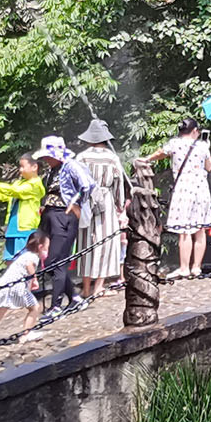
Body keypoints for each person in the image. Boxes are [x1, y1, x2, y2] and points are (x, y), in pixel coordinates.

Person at [34, 137, 93, 311]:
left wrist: (75, 203)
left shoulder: (71, 166)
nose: (45, 160)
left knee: (57, 261)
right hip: (50, 217)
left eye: (48, 156)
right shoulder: (52, 170)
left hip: (64, 216)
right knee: (52, 262)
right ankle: (74, 297)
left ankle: (56, 306)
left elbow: (88, 185)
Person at [75, 120, 128, 298]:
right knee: (106, 243)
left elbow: (75, 181)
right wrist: (120, 206)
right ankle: (99, 287)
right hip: (106, 201)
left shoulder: (81, 157)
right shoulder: (112, 158)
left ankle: (86, 288)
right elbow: (118, 183)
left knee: (86, 243)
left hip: (87, 201)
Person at [162, 118, 211, 278]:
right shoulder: (203, 146)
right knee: (199, 230)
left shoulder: (174, 144)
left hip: (183, 189)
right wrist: (207, 149)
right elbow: (209, 167)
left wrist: (147, 159)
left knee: (184, 230)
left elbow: (160, 153)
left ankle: (184, 268)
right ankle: (196, 267)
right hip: (201, 189)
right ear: (195, 131)